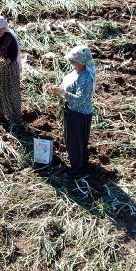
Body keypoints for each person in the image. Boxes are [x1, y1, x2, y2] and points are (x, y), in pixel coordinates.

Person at [54, 45, 96, 178]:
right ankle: (82, 163)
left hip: (78, 114)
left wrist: (63, 94)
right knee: (79, 141)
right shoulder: (77, 72)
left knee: (74, 142)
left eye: (74, 61)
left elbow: (81, 99)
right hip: (73, 111)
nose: (72, 64)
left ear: (82, 62)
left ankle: (76, 170)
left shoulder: (85, 78)